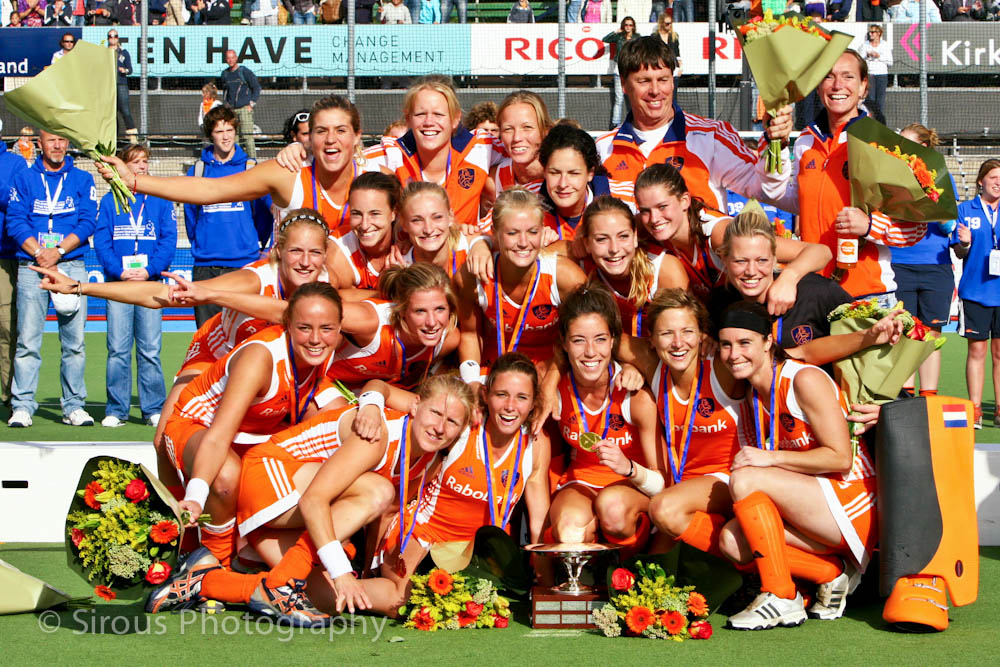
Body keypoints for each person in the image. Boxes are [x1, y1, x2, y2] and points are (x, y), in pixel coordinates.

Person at [717, 301, 876, 629]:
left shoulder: (802, 379)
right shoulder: (752, 394)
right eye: (726, 345)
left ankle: (780, 595)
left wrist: (772, 458)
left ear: (767, 342)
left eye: (745, 343)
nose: (734, 354)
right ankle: (832, 573)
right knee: (732, 541)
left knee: (746, 479)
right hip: (814, 507)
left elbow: (840, 458)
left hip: (852, 502)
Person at [166, 283, 346, 568]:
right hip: (199, 429)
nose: (315, 338)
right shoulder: (260, 358)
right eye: (304, 328)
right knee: (226, 476)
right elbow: (218, 436)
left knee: (339, 431)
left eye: (326, 328)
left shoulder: (324, 349)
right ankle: (213, 563)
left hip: (256, 436)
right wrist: (196, 495)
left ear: (339, 328)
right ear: (288, 325)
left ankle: (256, 545)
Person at [357, 353, 550, 616]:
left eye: (522, 398)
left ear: (533, 403)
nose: (510, 406)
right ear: (485, 395)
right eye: (501, 394)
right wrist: (371, 405)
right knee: (407, 602)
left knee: (466, 608)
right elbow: (382, 388)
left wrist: (546, 585)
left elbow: (538, 524)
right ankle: (329, 589)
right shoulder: (464, 423)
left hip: (475, 556)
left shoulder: (536, 444)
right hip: (422, 532)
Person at [302, 374, 476, 614]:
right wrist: (371, 404)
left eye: (452, 421)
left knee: (393, 599)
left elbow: (389, 512)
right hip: (283, 483)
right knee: (378, 492)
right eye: (435, 413)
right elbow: (378, 385)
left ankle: (303, 579)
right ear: (416, 405)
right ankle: (285, 582)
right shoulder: (379, 435)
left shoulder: (431, 458)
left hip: (313, 507)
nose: (440, 427)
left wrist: (366, 570)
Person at [769, 51, 927, 302]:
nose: (837, 85)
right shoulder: (804, 141)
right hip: (812, 289)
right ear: (818, 86)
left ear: (864, 86)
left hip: (867, 293)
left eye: (848, 76)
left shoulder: (881, 144)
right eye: (829, 77)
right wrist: (772, 150)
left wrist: (869, 225)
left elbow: (915, 228)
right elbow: (796, 200)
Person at [595, 36, 790, 212]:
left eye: (663, 79)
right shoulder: (604, 147)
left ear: (673, 81)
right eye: (644, 81)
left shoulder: (712, 136)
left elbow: (766, 191)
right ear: (624, 84)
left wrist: (776, 144)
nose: (655, 90)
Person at [617, 288, 743, 561]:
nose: (677, 343)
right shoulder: (655, 367)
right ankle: (726, 545)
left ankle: (745, 556)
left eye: (687, 332)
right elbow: (601, 338)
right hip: (681, 488)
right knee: (654, 571)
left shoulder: (722, 368)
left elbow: (770, 355)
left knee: (663, 510)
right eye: (666, 333)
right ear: (651, 340)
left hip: (729, 480)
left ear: (702, 335)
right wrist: (628, 366)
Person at [547, 285, 660, 554]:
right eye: (578, 340)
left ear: (613, 341)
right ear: (564, 343)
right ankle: (587, 576)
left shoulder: (635, 395)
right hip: (581, 483)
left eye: (599, 339)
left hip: (632, 486)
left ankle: (627, 573)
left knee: (613, 509)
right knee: (569, 531)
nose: (590, 352)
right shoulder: (554, 392)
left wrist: (628, 468)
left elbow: (663, 483)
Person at [633, 163, 830, 307]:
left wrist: (788, 278)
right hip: (729, 317)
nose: (654, 218)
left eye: (662, 207)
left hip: (781, 305)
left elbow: (820, 251)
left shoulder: (720, 234)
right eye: (645, 210)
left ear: (685, 200)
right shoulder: (644, 228)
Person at [6, 130, 97, 428]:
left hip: (70, 265)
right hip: (32, 266)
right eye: (50, 140)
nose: (57, 145)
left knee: (74, 343)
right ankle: (22, 405)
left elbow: (88, 221)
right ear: (39, 144)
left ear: (68, 143)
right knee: (28, 341)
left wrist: (57, 251)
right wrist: (39, 253)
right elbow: (15, 221)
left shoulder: (82, 179)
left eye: (61, 140)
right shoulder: (24, 178)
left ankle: (74, 406)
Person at [454, 187, 588, 372]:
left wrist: (551, 379)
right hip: (495, 367)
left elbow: (585, 338)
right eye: (512, 233)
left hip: (551, 367)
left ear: (543, 232)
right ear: (495, 233)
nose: (524, 242)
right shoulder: (474, 276)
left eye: (532, 232)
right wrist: (472, 380)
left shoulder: (565, 277)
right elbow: (470, 334)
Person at [93, 144, 176, 428]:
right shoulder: (109, 201)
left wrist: (149, 270)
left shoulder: (160, 200)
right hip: (119, 284)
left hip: (150, 284)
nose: (142, 166)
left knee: (149, 349)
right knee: (117, 349)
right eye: (135, 162)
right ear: (123, 166)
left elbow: (168, 240)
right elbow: (101, 242)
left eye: (144, 162)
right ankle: (117, 409)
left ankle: (153, 408)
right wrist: (119, 271)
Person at [363, 76, 502, 228]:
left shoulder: (481, 148)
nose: (429, 122)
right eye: (420, 114)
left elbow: (520, 164)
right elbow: (351, 164)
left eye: (438, 114)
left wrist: (482, 234)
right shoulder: (392, 155)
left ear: (455, 119)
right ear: (408, 119)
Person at [184, 105, 272, 326]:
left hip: (244, 265)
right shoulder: (198, 171)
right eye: (219, 131)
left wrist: (254, 243)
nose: (225, 137)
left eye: (229, 130)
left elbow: (264, 216)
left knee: (245, 333)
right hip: (206, 268)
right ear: (210, 135)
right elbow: (191, 217)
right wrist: (204, 244)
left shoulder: (251, 169)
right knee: (206, 336)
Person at [890, 124, 954, 400]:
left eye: (907, 142)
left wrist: (931, 203)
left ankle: (928, 398)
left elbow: (949, 225)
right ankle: (904, 399)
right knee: (904, 332)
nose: (901, 148)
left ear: (924, 147)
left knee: (931, 333)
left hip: (934, 266)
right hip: (898, 262)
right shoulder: (890, 175)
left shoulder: (941, 176)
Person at [324, 262, 461, 391]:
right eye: (420, 311)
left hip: (371, 394)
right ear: (401, 310)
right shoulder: (371, 322)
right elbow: (321, 304)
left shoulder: (448, 340)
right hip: (322, 383)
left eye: (440, 309)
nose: (432, 322)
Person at [575, 195, 688, 337]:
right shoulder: (581, 266)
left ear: (635, 237)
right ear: (586, 243)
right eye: (602, 239)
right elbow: (552, 252)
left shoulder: (664, 270)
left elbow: (680, 338)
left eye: (623, 236)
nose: (614, 249)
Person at [954, 159, 1000, 429]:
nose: (998, 182)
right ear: (981, 181)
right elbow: (959, 252)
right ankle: (975, 408)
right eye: (993, 177)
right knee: (978, 350)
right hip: (975, 292)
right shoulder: (965, 210)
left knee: (999, 352)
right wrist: (964, 243)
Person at [0, 120, 29, 414]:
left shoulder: (15, 163)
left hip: (4, 255)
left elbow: (15, 201)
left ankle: (10, 397)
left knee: (6, 328)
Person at [391, 182, 470, 279]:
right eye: (417, 220)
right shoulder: (399, 271)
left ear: (450, 217)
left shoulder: (471, 251)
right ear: (404, 224)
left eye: (437, 217)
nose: (428, 230)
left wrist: (481, 243)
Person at [220, 50, 261, 160]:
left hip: (244, 109)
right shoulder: (225, 74)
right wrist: (226, 106)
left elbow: (256, 87)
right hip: (232, 111)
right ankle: (237, 160)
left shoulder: (244, 71)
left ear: (236, 58)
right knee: (234, 138)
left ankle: (253, 160)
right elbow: (225, 92)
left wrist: (251, 104)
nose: (230, 60)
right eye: (228, 58)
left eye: (232, 57)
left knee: (247, 137)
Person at [603, 16, 638, 130]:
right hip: (619, 71)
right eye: (626, 25)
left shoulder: (637, 38)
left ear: (633, 27)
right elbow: (605, 39)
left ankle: (634, 121)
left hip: (632, 71)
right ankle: (615, 124)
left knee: (633, 97)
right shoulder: (619, 37)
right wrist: (615, 32)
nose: (628, 27)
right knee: (619, 98)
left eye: (630, 25)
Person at [108, 30, 138, 144]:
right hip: (108, 85)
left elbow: (130, 69)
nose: (113, 38)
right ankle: (112, 137)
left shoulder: (124, 53)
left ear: (118, 38)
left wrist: (124, 70)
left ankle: (133, 137)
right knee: (110, 113)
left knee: (125, 110)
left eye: (115, 36)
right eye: (110, 36)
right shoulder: (104, 52)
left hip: (121, 84)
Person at [857, 25, 891, 119]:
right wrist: (867, 55)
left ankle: (880, 120)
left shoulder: (885, 45)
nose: (870, 34)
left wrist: (878, 56)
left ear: (879, 33)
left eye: (873, 32)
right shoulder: (865, 45)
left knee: (880, 100)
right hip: (870, 74)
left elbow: (890, 62)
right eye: (870, 32)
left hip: (882, 74)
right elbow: (860, 60)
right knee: (870, 99)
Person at [652, 10, 681, 77]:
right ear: (662, 24)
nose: (669, 25)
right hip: (659, 67)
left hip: (672, 66)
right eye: (667, 24)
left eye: (671, 23)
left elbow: (677, 52)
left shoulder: (674, 36)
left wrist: (680, 67)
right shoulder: (654, 37)